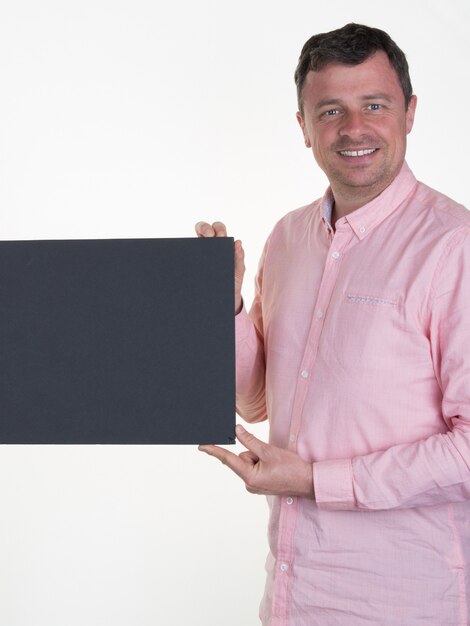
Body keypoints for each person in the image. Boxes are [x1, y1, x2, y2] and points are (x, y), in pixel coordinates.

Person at [197, 23, 470, 625]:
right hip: (292, 598)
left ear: (411, 112)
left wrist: (318, 481)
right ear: (303, 126)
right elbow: (259, 399)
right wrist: (226, 306)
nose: (354, 129)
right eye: (330, 111)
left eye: (375, 105)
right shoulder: (288, 237)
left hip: (408, 603)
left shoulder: (456, 246)